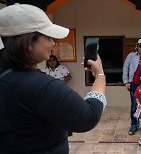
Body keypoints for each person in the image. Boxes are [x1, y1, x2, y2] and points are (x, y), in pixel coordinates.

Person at [0, 4, 106, 154]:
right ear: (29, 42)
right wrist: (100, 75)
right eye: (48, 37)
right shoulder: (40, 86)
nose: (53, 43)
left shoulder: (8, 77)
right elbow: (88, 116)